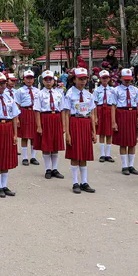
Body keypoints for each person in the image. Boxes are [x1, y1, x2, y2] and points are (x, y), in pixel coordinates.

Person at [62, 67, 97, 195]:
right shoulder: (70, 94)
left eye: (84, 79)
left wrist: (94, 131)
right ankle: (75, 182)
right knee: (75, 154)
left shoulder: (89, 95)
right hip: (75, 122)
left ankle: (84, 182)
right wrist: (67, 132)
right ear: (74, 79)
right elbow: (66, 114)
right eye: (80, 79)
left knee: (84, 154)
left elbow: (92, 114)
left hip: (86, 123)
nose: (82, 81)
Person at [33, 70, 65, 180]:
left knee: (55, 144)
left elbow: (62, 110)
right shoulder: (39, 94)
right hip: (45, 118)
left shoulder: (59, 93)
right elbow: (37, 110)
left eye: (50, 79)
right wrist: (39, 126)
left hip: (56, 118)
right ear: (43, 81)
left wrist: (63, 125)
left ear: (53, 81)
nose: (48, 82)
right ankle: (47, 169)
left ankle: (55, 169)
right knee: (46, 145)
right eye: (46, 80)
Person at [112, 68, 138, 176]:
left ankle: (131, 165)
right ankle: (124, 165)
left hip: (132, 113)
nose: (127, 81)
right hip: (122, 113)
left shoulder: (135, 90)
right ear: (121, 78)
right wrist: (114, 122)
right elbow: (113, 106)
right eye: (125, 79)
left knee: (132, 141)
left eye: (129, 79)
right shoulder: (116, 90)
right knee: (124, 141)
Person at [14, 69, 40, 167]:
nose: (29, 80)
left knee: (34, 136)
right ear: (23, 79)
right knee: (25, 136)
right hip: (24, 112)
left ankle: (33, 157)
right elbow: (16, 104)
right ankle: (24, 157)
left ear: (34, 79)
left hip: (34, 112)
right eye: (27, 78)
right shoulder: (19, 91)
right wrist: (17, 118)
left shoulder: (37, 91)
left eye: (31, 78)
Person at [93, 70, 115, 163]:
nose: (105, 80)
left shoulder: (112, 90)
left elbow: (114, 104)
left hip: (109, 110)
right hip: (100, 110)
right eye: (103, 78)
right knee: (102, 132)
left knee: (109, 133)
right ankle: (102, 154)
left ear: (109, 79)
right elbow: (95, 104)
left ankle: (108, 154)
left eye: (106, 78)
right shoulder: (97, 90)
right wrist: (95, 117)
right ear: (100, 79)